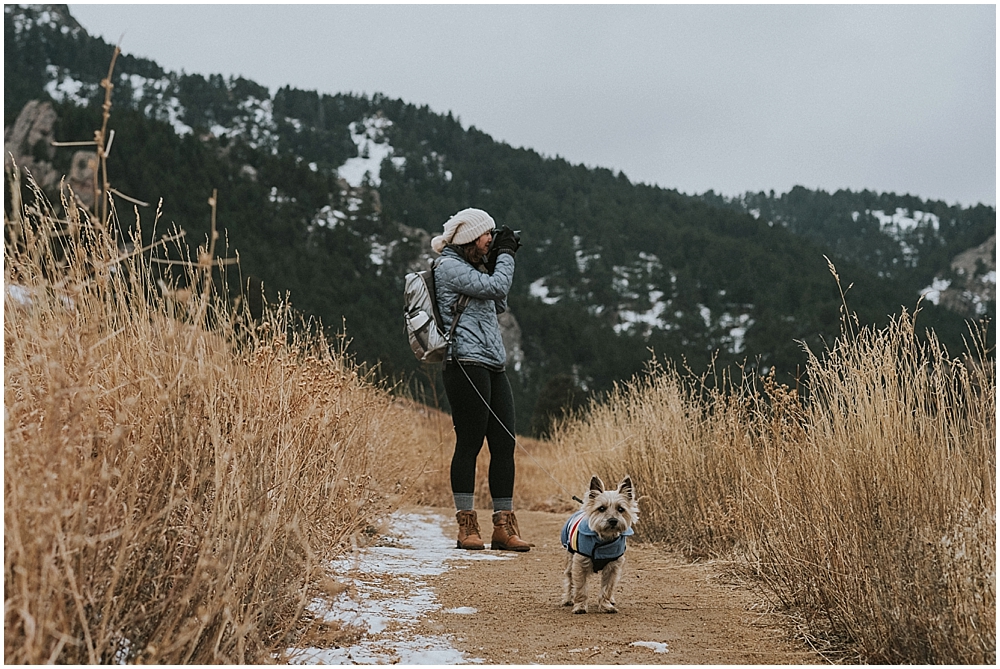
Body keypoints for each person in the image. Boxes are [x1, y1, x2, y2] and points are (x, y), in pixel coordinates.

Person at [430, 207, 530, 552]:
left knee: (504, 444)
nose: (492, 241)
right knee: (470, 443)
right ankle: (466, 525)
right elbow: (499, 285)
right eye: (487, 236)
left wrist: (493, 258)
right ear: (471, 237)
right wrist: (505, 255)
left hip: (492, 362)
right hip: (464, 362)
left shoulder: (472, 267)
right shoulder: (448, 266)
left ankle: (503, 526)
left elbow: (498, 299)